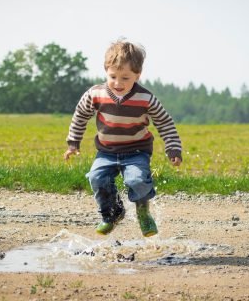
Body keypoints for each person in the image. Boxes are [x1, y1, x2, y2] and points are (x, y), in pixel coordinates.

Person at [63, 39, 182, 237]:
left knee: (136, 180)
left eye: (125, 78)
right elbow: (80, 116)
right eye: (113, 76)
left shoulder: (146, 99)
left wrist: (173, 149)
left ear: (138, 75)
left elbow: (165, 123)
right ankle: (112, 213)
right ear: (106, 70)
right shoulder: (95, 94)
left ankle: (143, 212)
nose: (118, 83)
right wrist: (73, 143)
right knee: (96, 178)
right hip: (106, 151)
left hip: (137, 151)